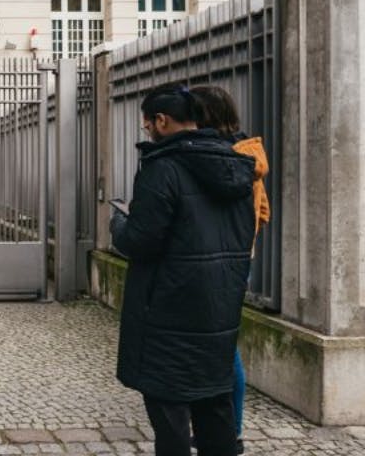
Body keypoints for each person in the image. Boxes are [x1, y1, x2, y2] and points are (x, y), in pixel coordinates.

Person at [111, 85, 257, 456]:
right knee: (214, 405)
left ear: (161, 121)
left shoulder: (163, 169)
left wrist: (119, 224)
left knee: (169, 410)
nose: (148, 132)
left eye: (147, 126)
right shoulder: (237, 164)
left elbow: (141, 241)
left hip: (168, 309)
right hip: (219, 306)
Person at [191, 85, 271, 456]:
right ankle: (226, 428)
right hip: (241, 259)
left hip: (222, 261)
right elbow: (263, 213)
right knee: (224, 345)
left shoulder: (218, 158)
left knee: (222, 348)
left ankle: (228, 429)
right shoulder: (247, 154)